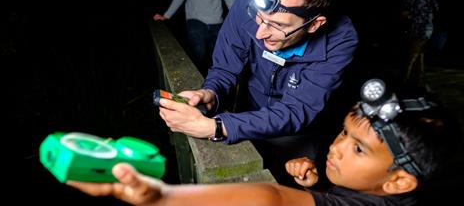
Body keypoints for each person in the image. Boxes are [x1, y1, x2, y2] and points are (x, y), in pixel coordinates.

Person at [67, 79, 454, 206]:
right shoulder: (381, 191)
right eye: (343, 133)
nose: (335, 147)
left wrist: (165, 196)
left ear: (399, 182)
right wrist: (318, 183)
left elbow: (272, 198)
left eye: (357, 149)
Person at [157, 0, 358, 182]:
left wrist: (217, 127)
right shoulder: (245, 4)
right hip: (246, 113)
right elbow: (224, 68)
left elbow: (296, 110)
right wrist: (209, 93)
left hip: (297, 136)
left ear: (314, 24)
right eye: (259, 17)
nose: (260, 33)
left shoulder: (340, 39)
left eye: (278, 25)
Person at [153, 0, 236, 76]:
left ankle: (211, 86)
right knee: (199, 53)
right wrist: (166, 15)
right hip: (195, 20)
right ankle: (196, 82)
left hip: (216, 23)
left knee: (216, 60)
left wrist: (243, 18)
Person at [400, 0, 439, 92]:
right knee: (418, 58)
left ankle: (402, 83)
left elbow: (410, 8)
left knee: (410, 57)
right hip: (423, 31)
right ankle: (419, 83)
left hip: (421, 32)